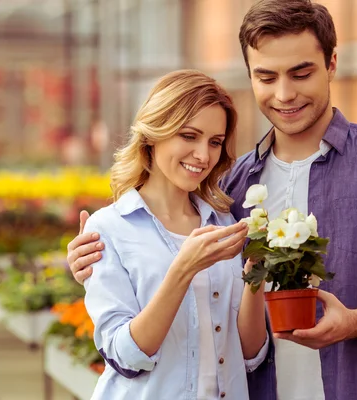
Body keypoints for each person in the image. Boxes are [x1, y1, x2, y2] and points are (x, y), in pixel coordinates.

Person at [68, 1, 357, 399]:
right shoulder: (231, 187)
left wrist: (354, 322)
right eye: (266, 77)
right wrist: (90, 259)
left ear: (332, 63)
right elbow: (156, 244)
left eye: (301, 73)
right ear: (249, 76)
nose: (284, 94)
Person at [80, 69, 270, 400]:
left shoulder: (224, 224)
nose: (203, 155)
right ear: (154, 134)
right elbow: (127, 356)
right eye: (188, 136)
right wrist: (183, 269)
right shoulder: (108, 229)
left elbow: (251, 354)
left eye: (215, 142)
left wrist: (256, 274)